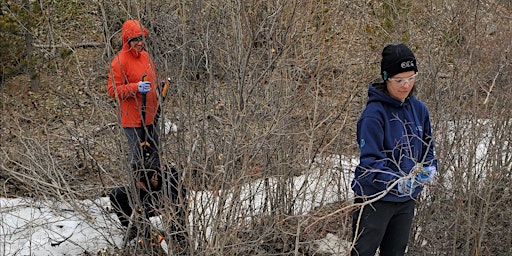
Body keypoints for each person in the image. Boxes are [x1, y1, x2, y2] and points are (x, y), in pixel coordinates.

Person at [350, 44, 437, 256]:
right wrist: (396, 183)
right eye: (399, 80)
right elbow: (370, 164)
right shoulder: (373, 115)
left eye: (411, 77)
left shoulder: (419, 110)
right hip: (375, 199)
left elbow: (428, 148)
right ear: (386, 78)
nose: (406, 85)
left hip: (406, 201)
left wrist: (429, 168)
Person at [107, 19, 160, 169]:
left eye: (141, 39)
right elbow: (113, 91)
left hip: (152, 117)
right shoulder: (119, 62)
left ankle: (156, 190)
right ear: (127, 41)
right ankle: (138, 191)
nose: (140, 43)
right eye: (135, 40)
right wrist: (135, 87)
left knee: (155, 158)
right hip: (133, 120)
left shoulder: (146, 57)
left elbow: (153, 80)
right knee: (137, 161)